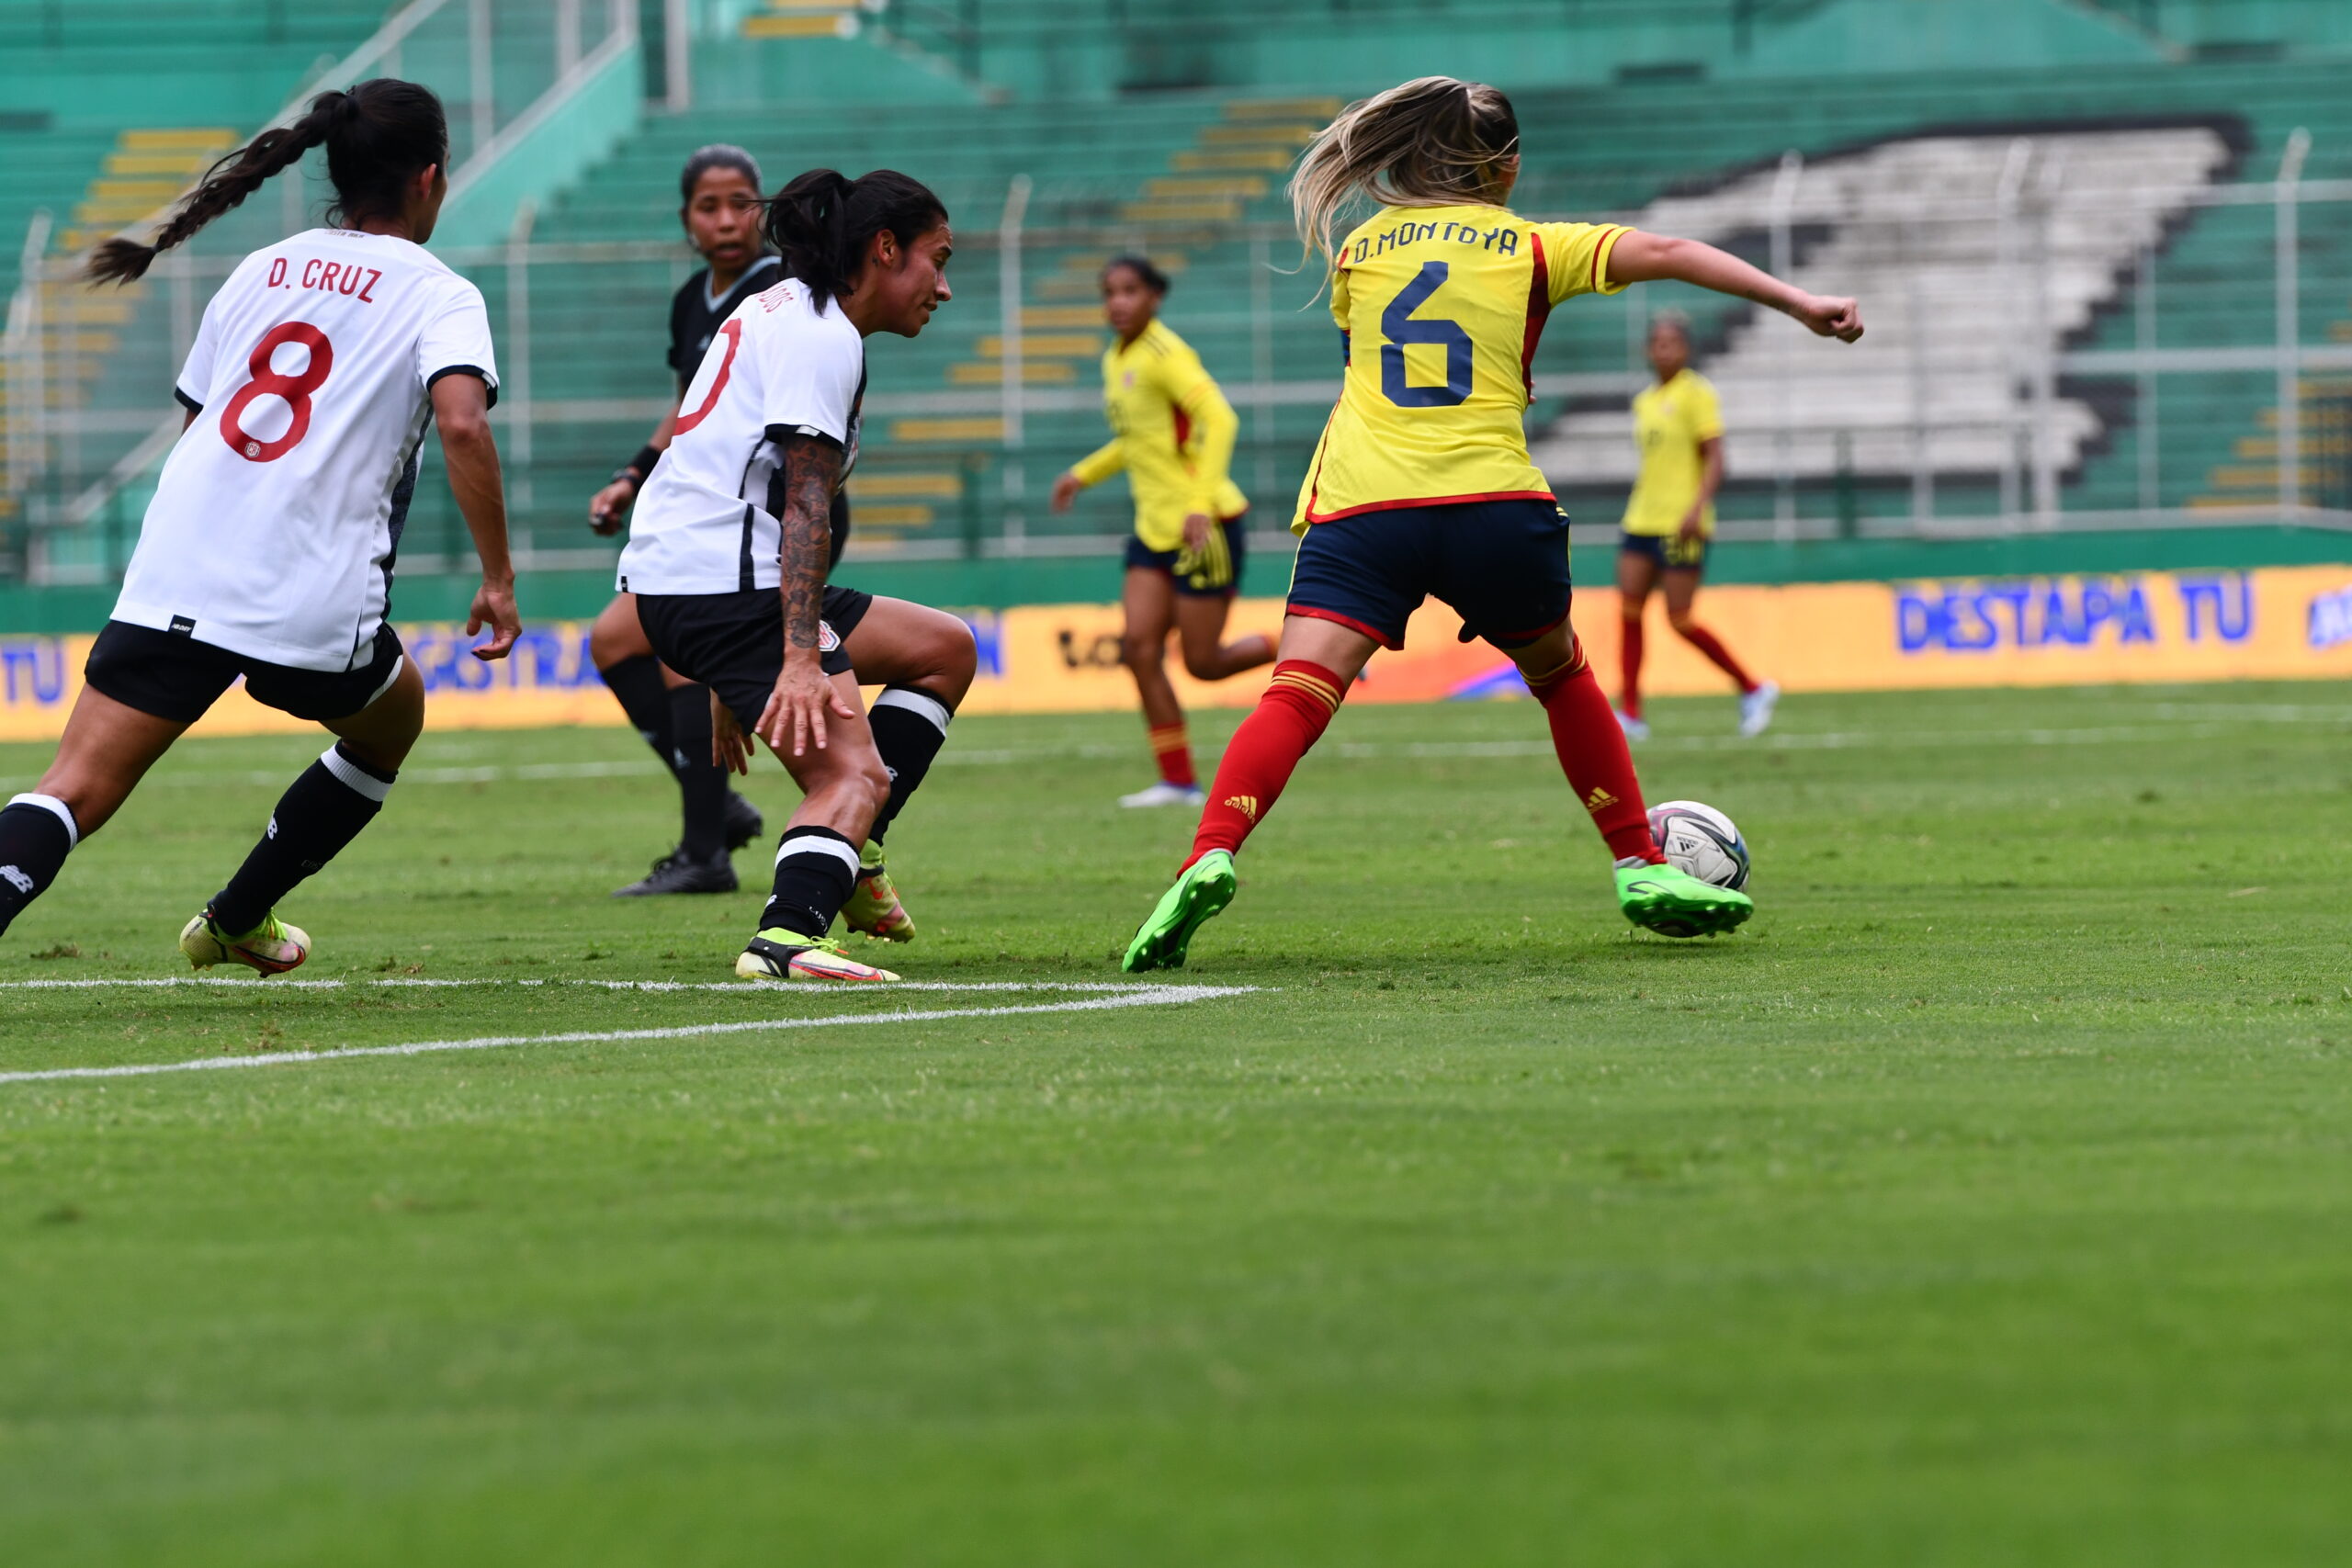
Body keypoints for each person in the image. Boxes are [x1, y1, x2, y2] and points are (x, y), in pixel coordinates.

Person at [1122, 76, 1862, 973]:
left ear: (1420, 157)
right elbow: (1665, 250)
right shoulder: (1531, 246)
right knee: (1559, 675)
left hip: (1365, 507)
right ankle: (1636, 860)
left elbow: (1373, 362)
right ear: (1506, 167)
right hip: (1491, 502)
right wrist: (1800, 303)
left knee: (1297, 693)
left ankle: (1208, 853)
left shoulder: (1359, 250)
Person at [0, 80, 520, 973]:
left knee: (71, 788)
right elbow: (464, 422)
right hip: (308, 595)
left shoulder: (262, 269)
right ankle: (239, 915)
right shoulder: (440, 294)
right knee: (390, 725)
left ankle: (233, 920)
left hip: (178, 571)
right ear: (430, 178)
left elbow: (203, 416)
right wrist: (500, 579)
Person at [591, 152, 969, 941]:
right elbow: (803, 501)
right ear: (887, 249)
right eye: (938, 261)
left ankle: (854, 850)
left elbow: (775, 490)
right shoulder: (820, 334)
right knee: (851, 775)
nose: (944, 288)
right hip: (722, 590)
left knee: (945, 649)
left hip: (695, 583)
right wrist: (798, 656)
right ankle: (788, 937)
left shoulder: (786, 307)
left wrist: (742, 676)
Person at [581, 145, 779, 896]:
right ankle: (716, 805)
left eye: (742, 202)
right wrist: (632, 476)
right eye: (709, 206)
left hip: (765, 515)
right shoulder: (693, 297)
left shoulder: (779, 291)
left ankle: (705, 854)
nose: (727, 220)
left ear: (763, 208)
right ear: (686, 220)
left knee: (680, 655)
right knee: (612, 640)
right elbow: (690, 408)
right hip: (703, 515)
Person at [1048, 255, 1272, 807]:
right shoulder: (1116, 357)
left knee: (1204, 663)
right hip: (1153, 531)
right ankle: (1177, 781)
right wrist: (1082, 474)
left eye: (1130, 291)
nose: (1117, 302)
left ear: (1155, 296)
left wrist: (1198, 502)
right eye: (1109, 292)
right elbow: (1139, 440)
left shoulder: (1166, 355)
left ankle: (1307, 648)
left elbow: (1221, 419)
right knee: (1139, 649)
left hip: (1205, 527)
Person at [1615, 310, 1776, 740]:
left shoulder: (1697, 394)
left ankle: (1753, 688)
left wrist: (1696, 509)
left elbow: (1717, 458)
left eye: (1671, 342)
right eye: (1657, 343)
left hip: (1682, 524)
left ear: (1685, 349)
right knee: (1629, 613)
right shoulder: (1645, 400)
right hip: (1640, 519)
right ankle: (1631, 711)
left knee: (1680, 619)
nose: (1663, 349)